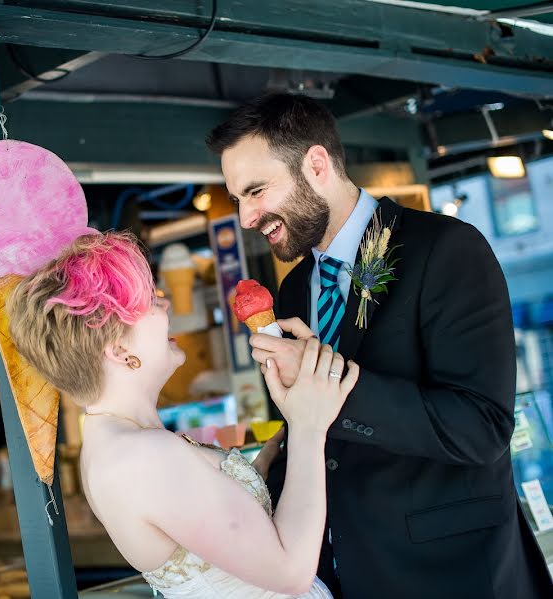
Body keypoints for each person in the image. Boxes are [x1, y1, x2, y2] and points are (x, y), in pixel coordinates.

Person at [207, 92, 553, 598]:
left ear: (317, 164)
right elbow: (314, 436)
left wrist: (328, 382)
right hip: (347, 574)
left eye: (257, 191)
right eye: (238, 199)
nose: (247, 217)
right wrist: (254, 478)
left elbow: (482, 430)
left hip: (454, 574)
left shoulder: (447, 250)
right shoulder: (294, 289)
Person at [7, 231, 359, 598]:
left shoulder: (121, 444)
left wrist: (265, 462)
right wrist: (308, 426)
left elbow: (209, 526)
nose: (166, 306)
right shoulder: (140, 457)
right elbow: (291, 571)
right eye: (148, 303)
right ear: (119, 349)